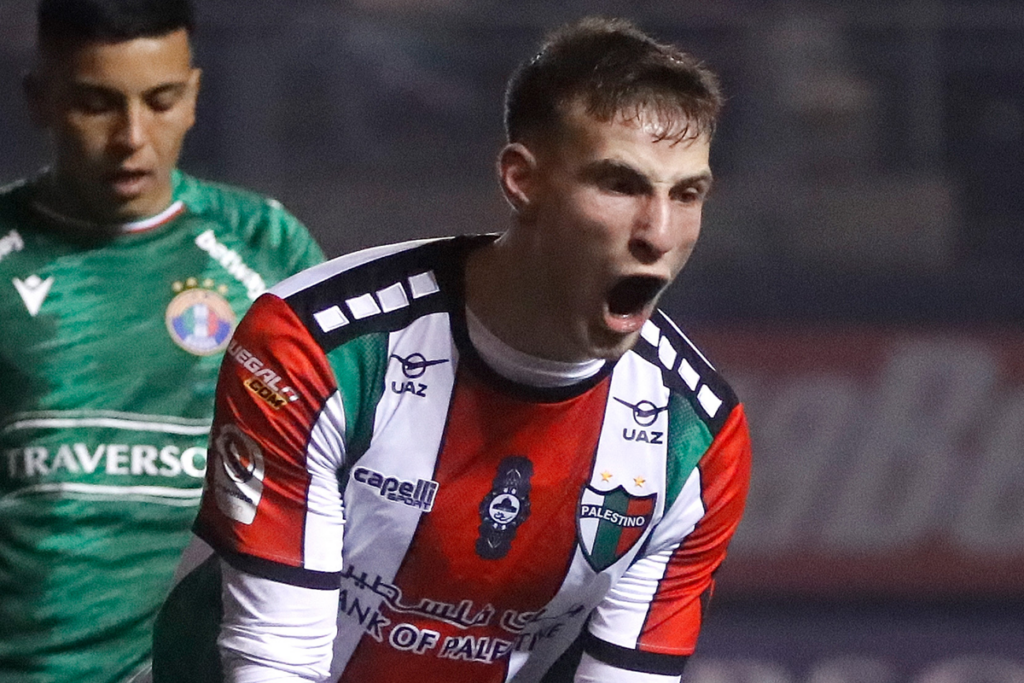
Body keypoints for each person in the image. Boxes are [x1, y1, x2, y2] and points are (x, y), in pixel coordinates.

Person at [154, 16, 751, 683]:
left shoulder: (696, 439)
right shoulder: (321, 349)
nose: (659, 232)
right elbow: (273, 665)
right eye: (620, 185)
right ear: (521, 180)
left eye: (687, 193)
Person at [0, 0, 324, 681]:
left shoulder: (266, 246)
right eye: (97, 104)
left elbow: (337, 471)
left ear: (194, 97)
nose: (132, 137)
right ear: (41, 99)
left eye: (161, 100)